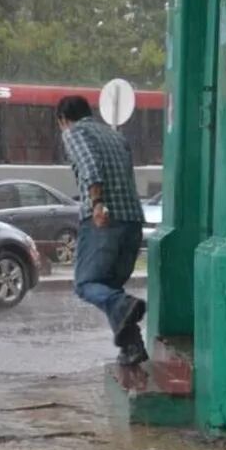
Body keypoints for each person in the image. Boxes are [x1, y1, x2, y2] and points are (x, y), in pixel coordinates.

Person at [56, 95, 148, 366]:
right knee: (111, 291)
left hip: (105, 221)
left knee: (86, 285)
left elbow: (89, 167)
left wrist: (97, 204)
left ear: (63, 119)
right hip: (132, 220)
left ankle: (125, 313)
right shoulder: (114, 136)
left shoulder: (74, 132)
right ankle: (133, 347)